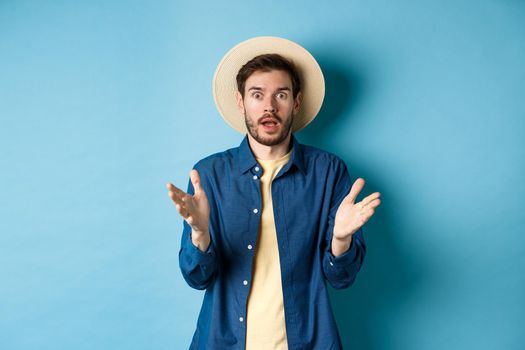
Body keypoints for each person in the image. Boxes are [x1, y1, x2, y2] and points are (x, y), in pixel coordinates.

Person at [167, 36, 381, 350]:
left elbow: (341, 279)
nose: (269, 106)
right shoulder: (209, 175)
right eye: (257, 95)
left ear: (296, 102)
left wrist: (340, 240)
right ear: (241, 102)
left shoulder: (328, 172)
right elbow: (197, 278)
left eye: (281, 94)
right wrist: (200, 233)